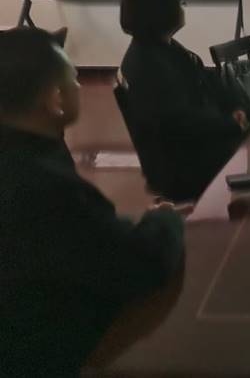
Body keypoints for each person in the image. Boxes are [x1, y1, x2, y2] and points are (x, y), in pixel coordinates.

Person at [0, 28, 184, 375]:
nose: (79, 86)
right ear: (55, 99)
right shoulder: (44, 186)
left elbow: (84, 238)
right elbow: (140, 263)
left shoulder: (26, 152)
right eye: (73, 78)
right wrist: (164, 219)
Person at [119, 0, 249, 202]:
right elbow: (180, 123)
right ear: (161, 12)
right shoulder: (147, 65)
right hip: (184, 161)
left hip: (195, 143)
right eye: (179, 3)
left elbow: (206, 77)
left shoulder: (163, 47)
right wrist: (231, 124)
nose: (182, 8)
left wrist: (234, 107)